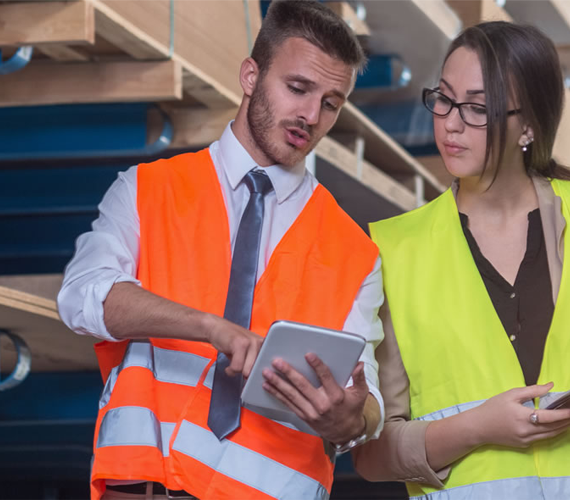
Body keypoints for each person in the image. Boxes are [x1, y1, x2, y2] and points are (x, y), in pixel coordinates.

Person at [351, 21, 570, 500]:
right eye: (445, 99)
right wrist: (478, 428)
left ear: (529, 126)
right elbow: (371, 455)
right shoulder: (396, 249)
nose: (451, 122)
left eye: (478, 108)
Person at [57, 1, 385, 498]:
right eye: (297, 89)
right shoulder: (147, 189)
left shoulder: (355, 252)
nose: (311, 116)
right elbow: (82, 298)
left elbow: (369, 399)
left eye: (331, 102)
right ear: (250, 75)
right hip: (142, 487)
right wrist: (210, 328)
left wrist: (352, 419)